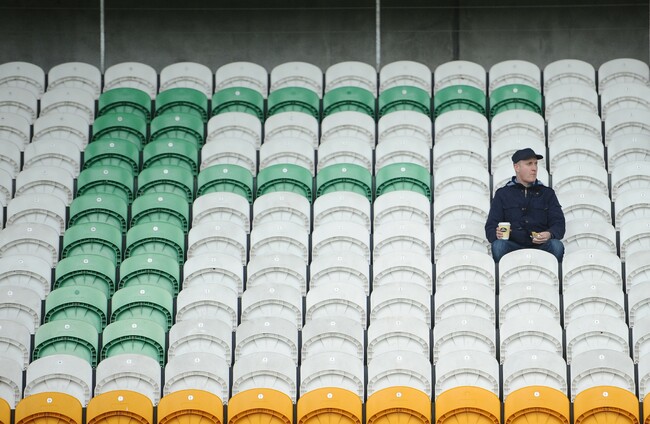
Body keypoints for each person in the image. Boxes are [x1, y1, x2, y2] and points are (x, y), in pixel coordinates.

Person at [485, 148, 565, 263]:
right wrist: (496, 233)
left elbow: (559, 224)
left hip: (541, 246)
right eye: (529, 164)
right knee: (499, 246)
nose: (534, 168)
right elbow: (490, 227)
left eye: (536, 164)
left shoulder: (548, 193)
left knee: (556, 246)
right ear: (517, 167)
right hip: (512, 246)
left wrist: (549, 234)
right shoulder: (502, 194)